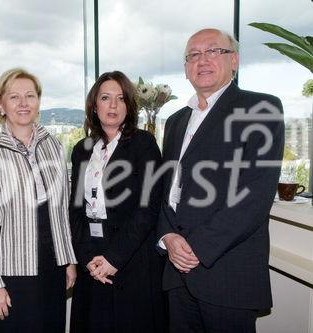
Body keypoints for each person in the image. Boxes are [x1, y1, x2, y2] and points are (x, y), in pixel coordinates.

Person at [157, 28, 284, 332]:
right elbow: (166, 191)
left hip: (227, 275)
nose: (203, 60)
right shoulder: (175, 122)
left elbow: (254, 196)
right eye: (194, 55)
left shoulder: (260, 110)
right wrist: (168, 238)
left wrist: (196, 248)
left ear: (235, 61)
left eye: (213, 51)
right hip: (177, 275)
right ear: (186, 68)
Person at [0, 68, 77, 333]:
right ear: (0, 104)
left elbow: (61, 211)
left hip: (53, 265)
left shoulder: (54, 145)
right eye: (14, 97)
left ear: (39, 102)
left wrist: (69, 259)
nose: (24, 103)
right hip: (9, 271)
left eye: (30, 95)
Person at [69, 71, 167, 333]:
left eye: (121, 98)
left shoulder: (143, 144)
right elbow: (76, 209)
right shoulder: (82, 148)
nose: (113, 105)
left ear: (129, 106)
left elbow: (148, 209)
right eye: (105, 97)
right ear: (94, 105)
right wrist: (88, 256)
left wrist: (113, 258)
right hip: (92, 258)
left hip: (131, 257)